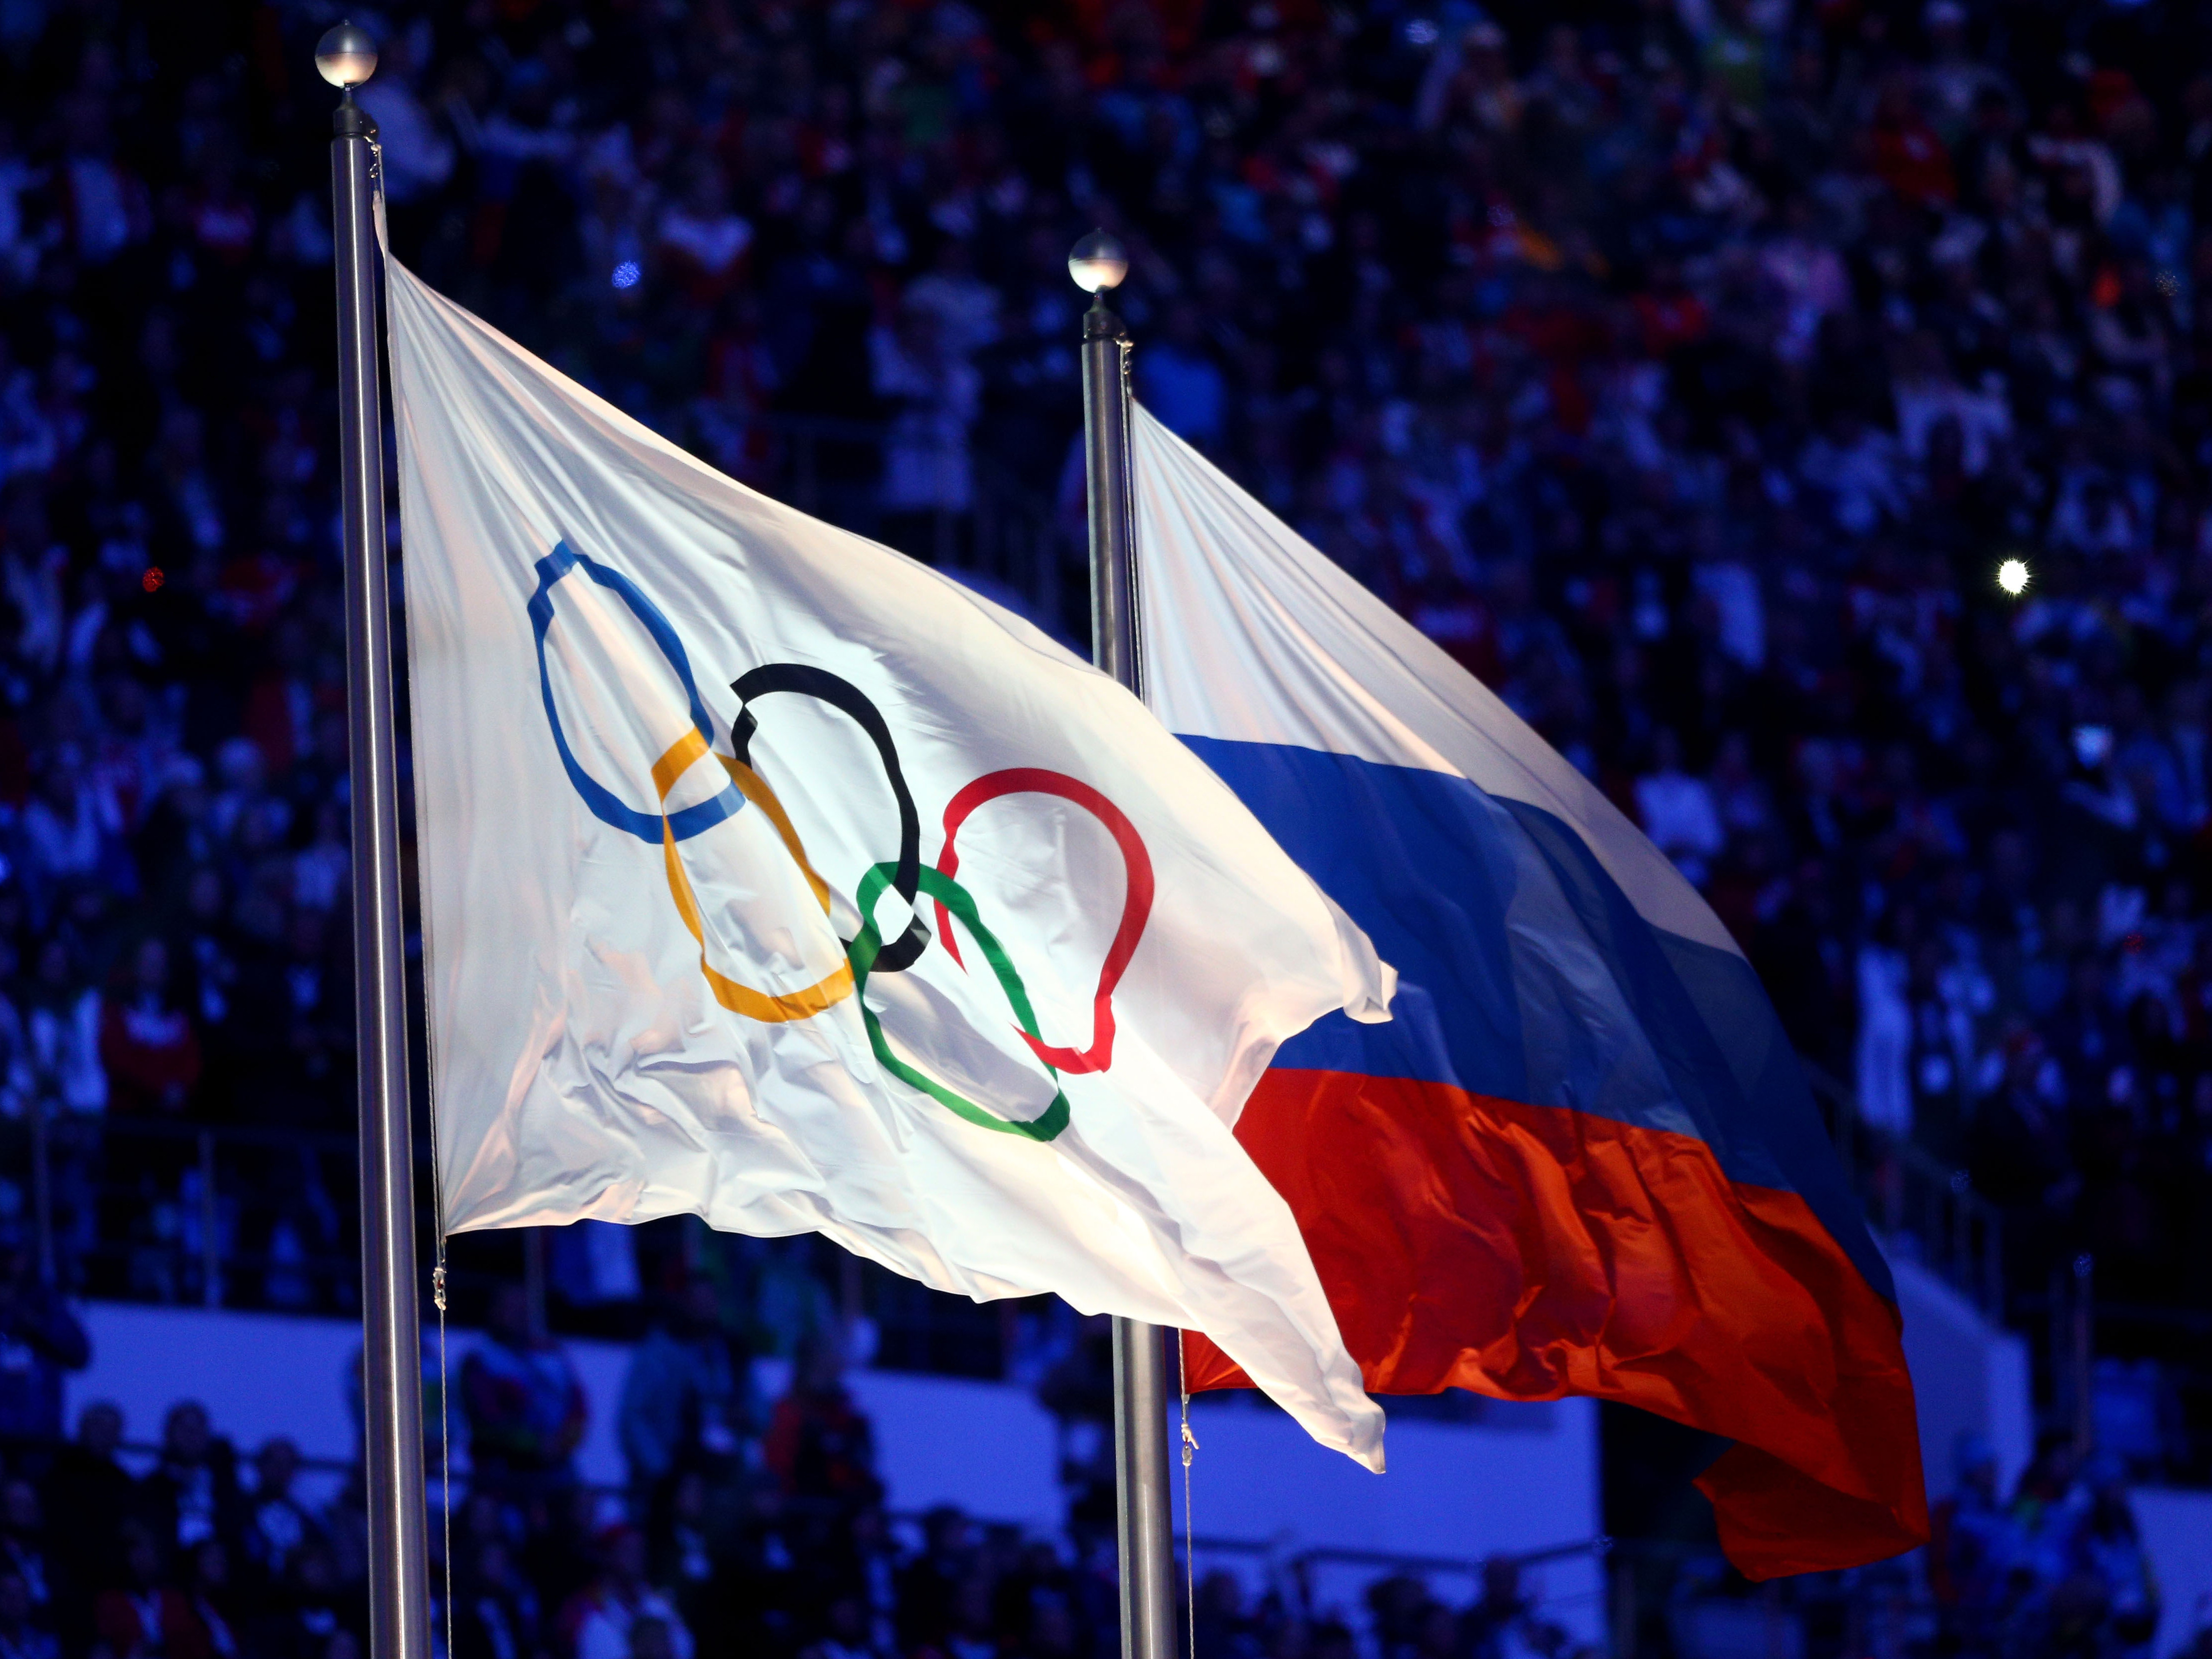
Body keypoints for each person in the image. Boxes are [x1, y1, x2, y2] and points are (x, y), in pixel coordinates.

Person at [617, 1280, 753, 1502]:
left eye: (710, 1300)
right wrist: (662, 1470)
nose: (704, 1308)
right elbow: (633, 1415)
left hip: (722, 1471)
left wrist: (746, 1416)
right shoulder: (659, 1352)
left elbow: (760, 1409)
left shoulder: (732, 1350)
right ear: (683, 1304)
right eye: (697, 1301)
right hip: (670, 1473)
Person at [459, 1285, 588, 1503]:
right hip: (504, 1467)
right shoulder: (481, 1359)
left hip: (556, 1465)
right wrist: (535, 1444)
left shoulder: (552, 1355)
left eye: (524, 1309)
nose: (519, 1315)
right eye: (511, 1309)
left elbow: (578, 1409)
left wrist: (562, 1443)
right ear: (495, 1313)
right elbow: (486, 1420)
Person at [0, 1242, 87, 1464]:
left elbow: (79, 1353)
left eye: (18, 1256)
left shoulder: (46, 1301)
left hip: (37, 1435)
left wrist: (35, 1322)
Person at [561, 1524, 693, 1659]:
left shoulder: (659, 1602)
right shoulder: (587, 1609)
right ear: (609, 1555)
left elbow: (684, 1647)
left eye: (640, 1551)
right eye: (627, 1550)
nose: (636, 1558)